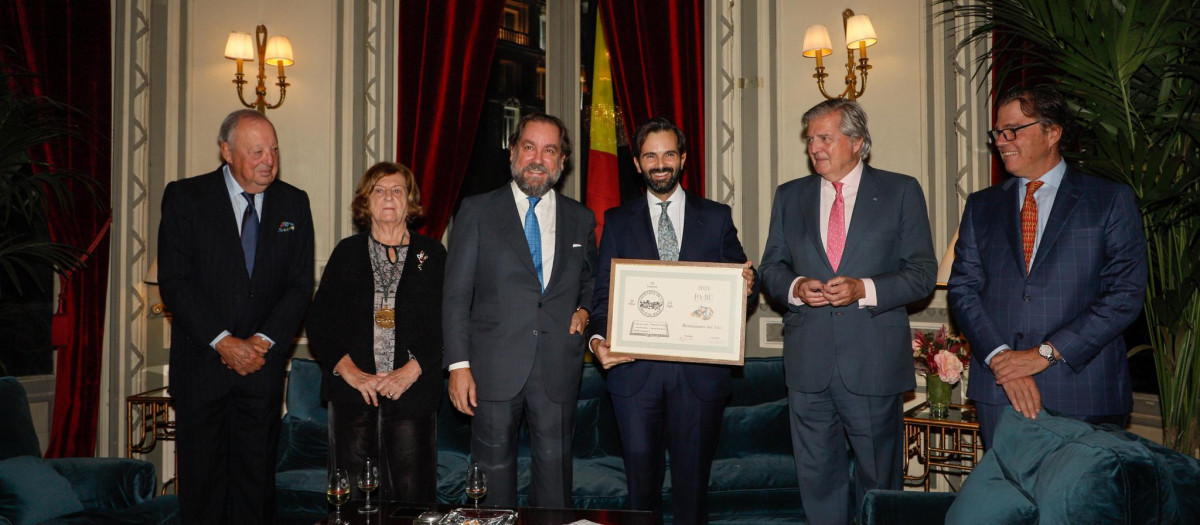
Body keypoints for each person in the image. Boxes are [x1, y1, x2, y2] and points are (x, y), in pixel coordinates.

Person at [759, 99, 937, 525]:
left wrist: (865, 288)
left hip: (872, 363)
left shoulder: (900, 190)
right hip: (808, 366)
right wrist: (797, 287)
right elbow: (771, 267)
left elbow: (922, 274)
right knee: (817, 479)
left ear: (857, 141)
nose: (814, 148)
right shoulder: (790, 196)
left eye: (825, 138)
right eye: (810, 140)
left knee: (879, 479)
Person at [947, 86, 1148, 448]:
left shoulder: (1108, 200)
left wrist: (1042, 355)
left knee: (1080, 503)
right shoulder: (982, 205)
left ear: (1052, 132)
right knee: (1006, 501)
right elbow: (963, 290)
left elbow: (1124, 295)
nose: (1002, 141)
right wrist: (1002, 359)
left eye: (1014, 130)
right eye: (997, 133)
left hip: (1083, 390)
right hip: (1000, 389)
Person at [586, 117, 756, 524]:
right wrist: (596, 342)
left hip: (698, 379)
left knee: (693, 492)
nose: (659, 163)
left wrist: (748, 283)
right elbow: (602, 298)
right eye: (650, 155)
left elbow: (740, 281)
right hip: (634, 378)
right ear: (637, 163)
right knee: (640, 495)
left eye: (667, 154)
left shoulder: (715, 217)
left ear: (682, 158)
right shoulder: (617, 220)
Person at [157, 109, 314, 524]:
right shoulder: (186, 197)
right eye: (257, 151)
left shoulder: (293, 203)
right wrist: (223, 342)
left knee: (255, 487)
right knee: (203, 488)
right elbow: (175, 281)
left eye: (274, 150)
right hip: (202, 367)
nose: (269, 160)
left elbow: (300, 286)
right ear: (227, 151)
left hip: (260, 371)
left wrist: (261, 342)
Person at [443, 112, 597, 508]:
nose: (537, 158)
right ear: (513, 152)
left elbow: (591, 281)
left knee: (555, 482)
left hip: (558, 369)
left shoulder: (581, 219)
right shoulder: (476, 211)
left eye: (549, 150)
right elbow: (456, 295)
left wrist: (583, 309)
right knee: (491, 486)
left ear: (562, 162)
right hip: (491, 370)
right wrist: (458, 366)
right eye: (529, 147)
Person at [307, 161, 446, 504]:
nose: (388, 197)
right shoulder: (346, 253)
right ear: (365, 202)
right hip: (353, 395)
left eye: (397, 190)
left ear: (409, 201)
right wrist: (351, 373)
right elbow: (319, 323)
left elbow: (449, 322)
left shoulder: (434, 254)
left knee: (412, 501)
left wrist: (412, 370)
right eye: (379, 190)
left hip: (412, 393)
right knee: (353, 500)